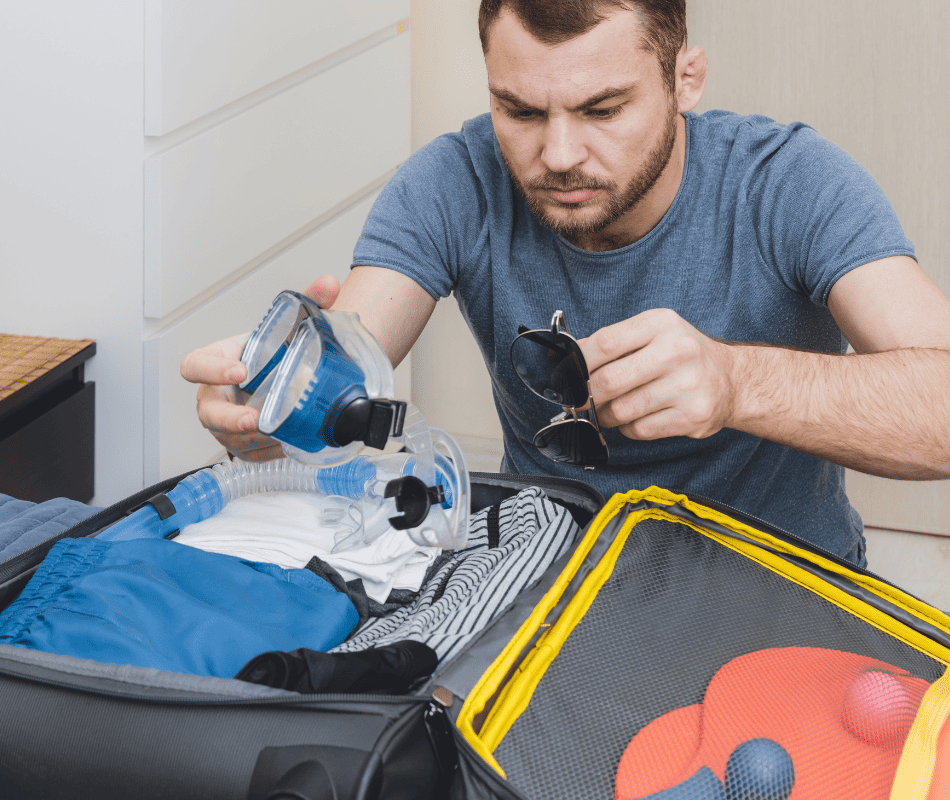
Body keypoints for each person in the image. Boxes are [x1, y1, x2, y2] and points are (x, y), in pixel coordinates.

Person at [181, 0, 950, 566]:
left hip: (783, 582)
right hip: (554, 581)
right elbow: (347, 361)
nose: (557, 154)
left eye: (602, 108)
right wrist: (264, 409)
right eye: (519, 110)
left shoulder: (789, 183)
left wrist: (737, 381)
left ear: (686, 78)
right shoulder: (453, 182)